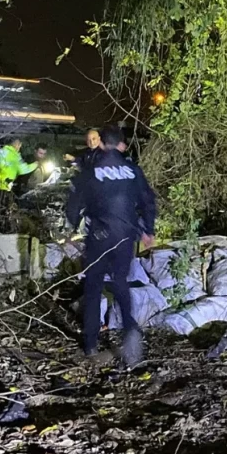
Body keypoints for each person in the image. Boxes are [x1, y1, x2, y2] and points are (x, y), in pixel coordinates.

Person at [66, 125, 157, 367]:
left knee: (93, 286)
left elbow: (73, 203)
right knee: (120, 282)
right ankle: (130, 332)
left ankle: (90, 344)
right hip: (125, 236)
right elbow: (148, 200)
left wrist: (73, 228)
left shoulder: (91, 170)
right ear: (121, 145)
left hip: (99, 236)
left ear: (102, 143)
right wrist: (148, 230)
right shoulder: (132, 170)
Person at [0, 138, 40, 204]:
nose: (19, 148)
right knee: (2, 206)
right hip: (3, 186)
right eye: (19, 146)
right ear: (17, 145)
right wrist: (35, 164)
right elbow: (24, 169)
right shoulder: (14, 156)